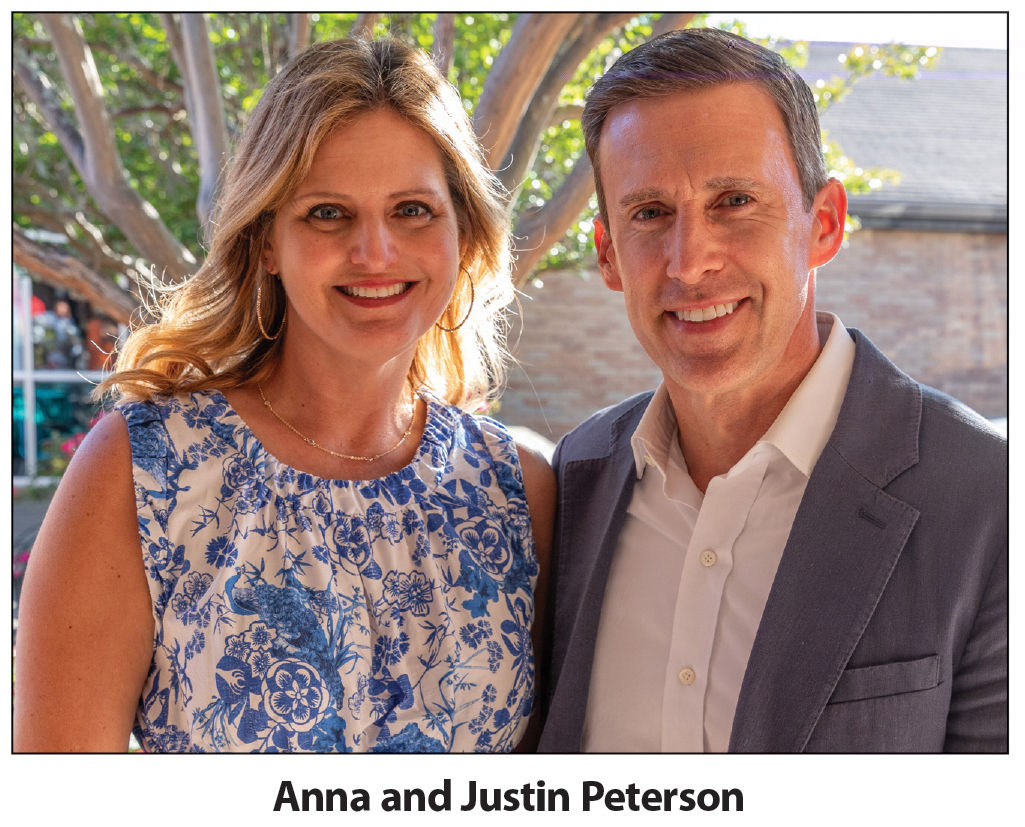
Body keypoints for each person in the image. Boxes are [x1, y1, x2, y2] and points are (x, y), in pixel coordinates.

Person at [14, 37, 554, 753]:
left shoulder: (514, 488)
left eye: (412, 209)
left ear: (463, 232)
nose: (375, 252)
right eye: (327, 212)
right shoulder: (140, 471)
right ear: (266, 240)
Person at [539, 28, 1006, 753]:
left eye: (733, 200)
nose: (689, 262)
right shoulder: (574, 480)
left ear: (823, 224)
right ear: (607, 254)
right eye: (650, 213)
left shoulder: (988, 497)